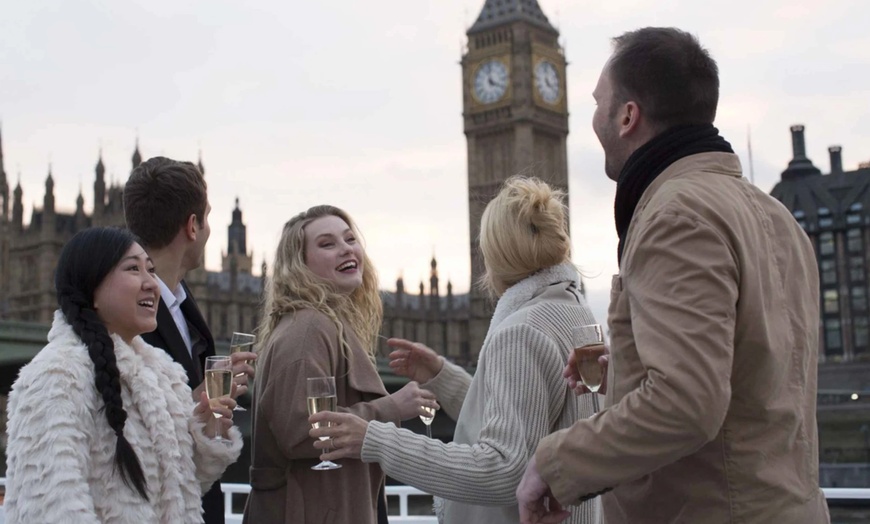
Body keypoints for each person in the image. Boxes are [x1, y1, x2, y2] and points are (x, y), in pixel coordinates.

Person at [516, 27, 830, 524]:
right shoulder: (775, 217)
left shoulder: (675, 216)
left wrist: (555, 462)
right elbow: (752, 364)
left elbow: (687, 403)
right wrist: (626, 357)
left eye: (599, 102)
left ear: (627, 116)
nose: (592, 117)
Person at [311, 177, 599, 524]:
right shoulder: (575, 312)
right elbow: (523, 417)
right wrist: (442, 377)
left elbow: (503, 470)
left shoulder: (520, 330)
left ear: (497, 253)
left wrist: (377, 440)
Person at [4, 227, 243, 523]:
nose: (151, 283)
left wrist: (208, 430)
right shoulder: (57, 377)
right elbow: (50, 508)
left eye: (151, 270)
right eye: (133, 269)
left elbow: (181, 489)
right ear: (92, 288)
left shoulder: (164, 374)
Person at [242, 205, 438, 524]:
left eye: (350, 239)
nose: (346, 248)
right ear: (299, 265)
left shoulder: (327, 324)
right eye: (327, 243)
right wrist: (393, 407)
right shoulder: (309, 328)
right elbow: (302, 431)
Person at [124, 156, 256, 524]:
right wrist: (199, 398)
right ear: (193, 226)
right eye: (207, 217)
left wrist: (212, 397)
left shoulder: (182, 301)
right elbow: (125, 424)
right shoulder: (128, 312)